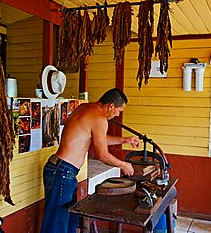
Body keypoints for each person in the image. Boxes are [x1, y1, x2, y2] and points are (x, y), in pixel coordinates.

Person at [41, 88, 139, 233]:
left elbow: (98, 138)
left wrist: (124, 140)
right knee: (57, 222)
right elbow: (102, 154)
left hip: (58, 168)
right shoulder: (100, 119)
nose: (117, 115)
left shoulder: (85, 108)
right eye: (118, 111)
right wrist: (123, 165)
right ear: (110, 106)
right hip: (62, 172)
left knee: (67, 219)